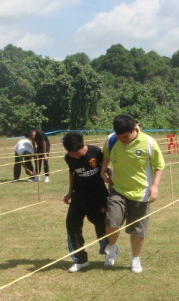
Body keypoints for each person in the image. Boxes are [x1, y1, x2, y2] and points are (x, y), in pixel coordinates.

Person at [101, 114, 165, 273]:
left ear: (134, 129)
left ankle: (135, 258)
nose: (122, 139)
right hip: (118, 189)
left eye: (125, 136)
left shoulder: (149, 142)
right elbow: (106, 156)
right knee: (111, 221)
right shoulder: (111, 140)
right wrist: (103, 170)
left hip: (141, 193)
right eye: (119, 136)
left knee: (137, 229)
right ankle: (112, 249)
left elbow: (159, 166)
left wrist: (155, 186)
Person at [62, 132, 109, 272]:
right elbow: (72, 174)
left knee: (100, 223)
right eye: (72, 154)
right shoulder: (69, 158)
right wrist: (70, 191)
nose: (75, 156)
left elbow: (106, 169)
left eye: (77, 153)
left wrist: (111, 183)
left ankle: (108, 252)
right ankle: (80, 259)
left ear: (84, 145)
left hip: (98, 195)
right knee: (72, 224)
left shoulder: (96, 152)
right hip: (79, 196)